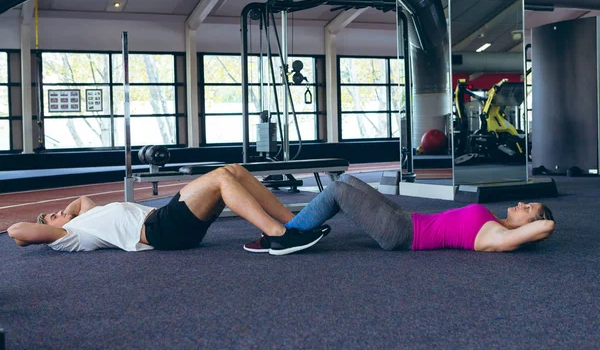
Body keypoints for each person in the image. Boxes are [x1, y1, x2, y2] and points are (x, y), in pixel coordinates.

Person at [7, 164, 327, 256]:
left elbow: (79, 202)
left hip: (166, 221)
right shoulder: (72, 233)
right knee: (219, 179)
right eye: (52, 218)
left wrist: (65, 210)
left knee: (234, 170)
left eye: (56, 214)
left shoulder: (87, 215)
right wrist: (53, 225)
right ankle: (279, 234)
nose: (58, 216)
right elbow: (16, 232)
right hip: (161, 229)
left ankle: (294, 222)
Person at [243, 173, 556, 253]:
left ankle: (285, 236)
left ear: (529, 226)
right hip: (406, 218)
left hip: (401, 233)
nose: (522, 205)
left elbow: (548, 227)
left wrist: (539, 224)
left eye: (529, 210)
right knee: (346, 181)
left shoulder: (497, 236)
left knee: (338, 191)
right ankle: (294, 228)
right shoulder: (496, 223)